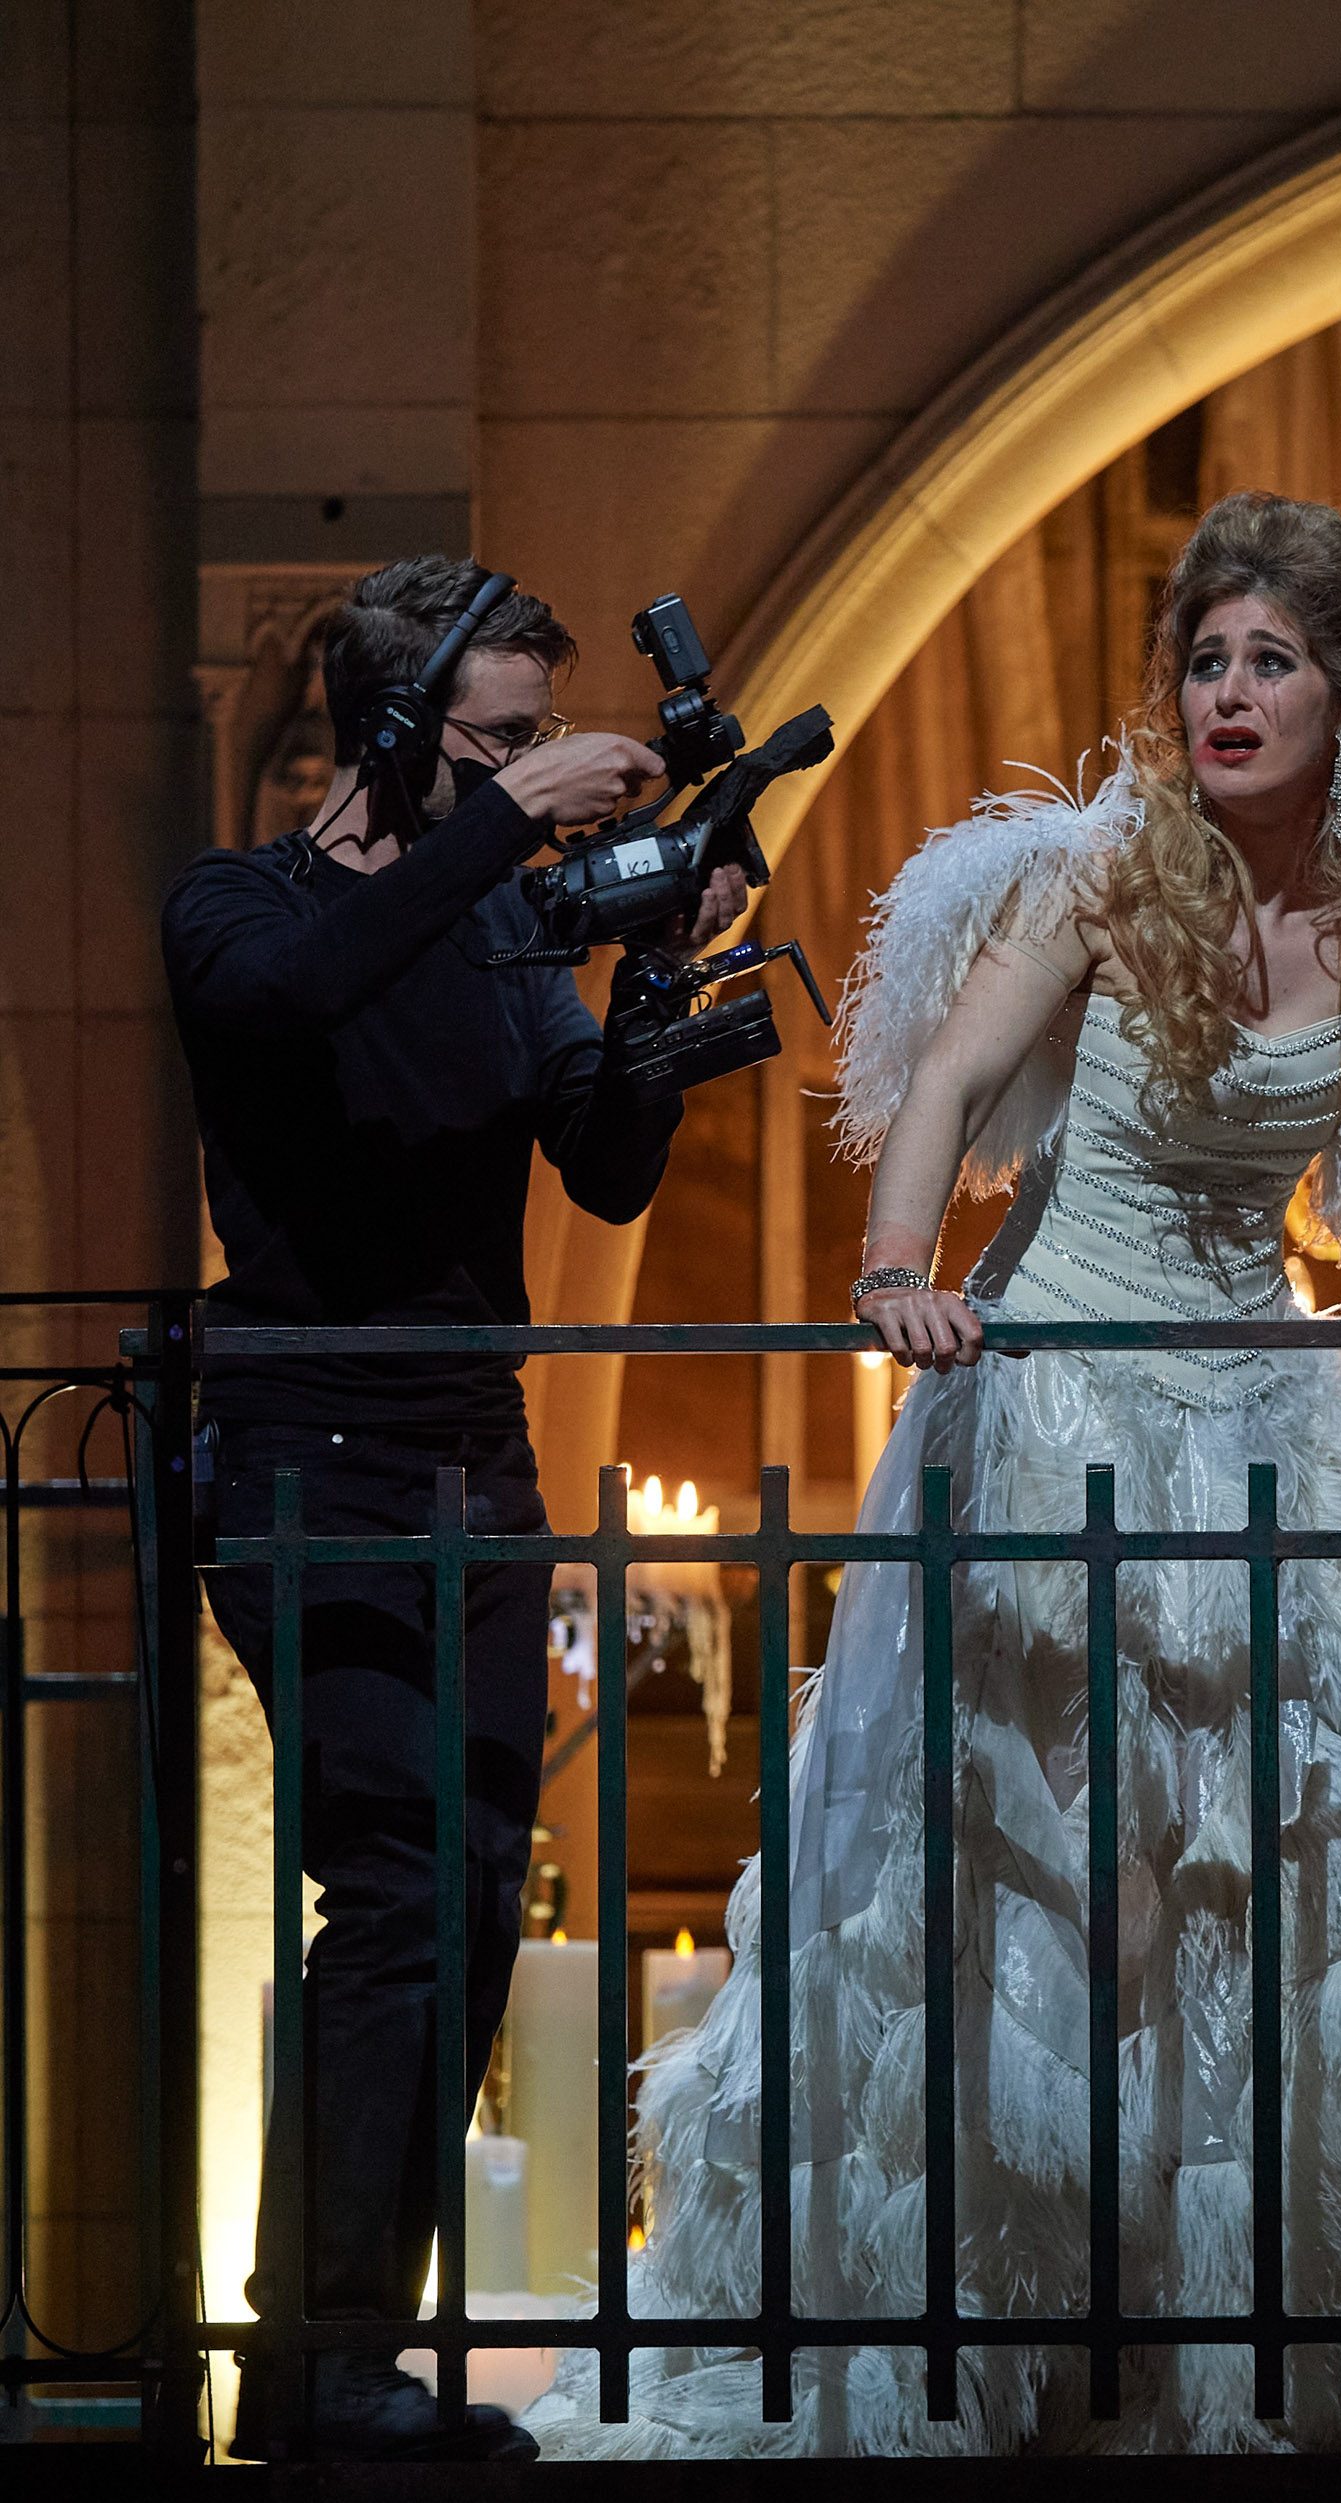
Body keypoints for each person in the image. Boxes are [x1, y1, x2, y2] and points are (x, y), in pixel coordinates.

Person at [532, 492, 1341, 2458]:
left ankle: (1182, 2324)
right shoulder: (1104, 877)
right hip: (1052, 1401)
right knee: (1023, 1878)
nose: (1230, 692)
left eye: (1274, 661)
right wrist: (898, 1269)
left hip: (1242, 1424)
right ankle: (976, 2311)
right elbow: (950, 1088)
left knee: (1233, 1885)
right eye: (1209, 658)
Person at [162, 555, 749, 2464]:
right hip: (307, 1453)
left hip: (472, 1463)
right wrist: (506, 823)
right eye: (495, 739)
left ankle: (354, 2353)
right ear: (396, 736)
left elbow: (604, 1170)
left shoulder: (500, 938)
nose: (534, 778)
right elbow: (289, 995)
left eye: (532, 743)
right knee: (398, 1886)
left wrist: (656, 983)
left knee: (477, 1892)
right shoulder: (242, 906)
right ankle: (313, 2367)